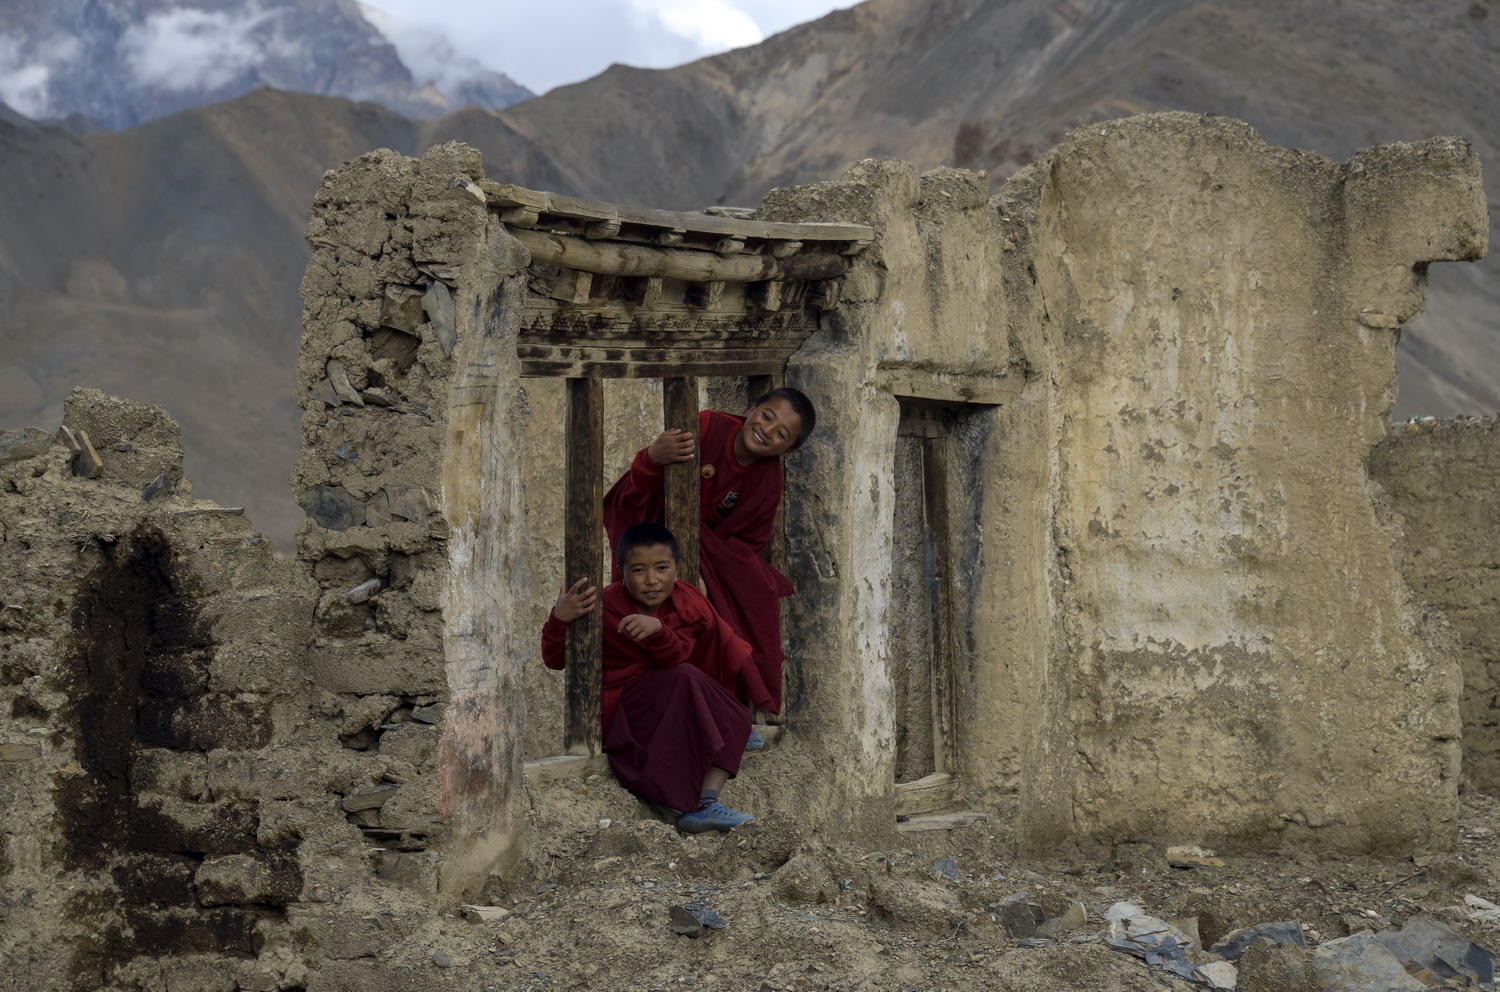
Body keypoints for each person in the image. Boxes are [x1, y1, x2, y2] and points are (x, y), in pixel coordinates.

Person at [603, 387, 815, 727]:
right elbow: (643, 481)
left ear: (787, 451)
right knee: (652, 599)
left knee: (753, 595)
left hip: (709, 550)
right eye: (766, 416)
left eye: (781, 435)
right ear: (752, 408)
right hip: (652, 521)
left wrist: (706, 564)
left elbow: (750, 540)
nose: (767, 431)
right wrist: (654, 455)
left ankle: (732, 706)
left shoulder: (768, 478)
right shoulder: (707, 427)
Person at [541, 522, 757, 833]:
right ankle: (687, 805)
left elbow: (679, 653)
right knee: (683, 679)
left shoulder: (687, 601)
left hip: (671, 692)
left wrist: (658, 632)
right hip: (623, 704)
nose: (652, 581)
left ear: (677, 568)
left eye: (661, 568)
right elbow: (554, 660)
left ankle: (708, 801)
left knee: (734, 716)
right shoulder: (602, 606)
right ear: (622, 572)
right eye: (638, 570)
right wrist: (559, 619)